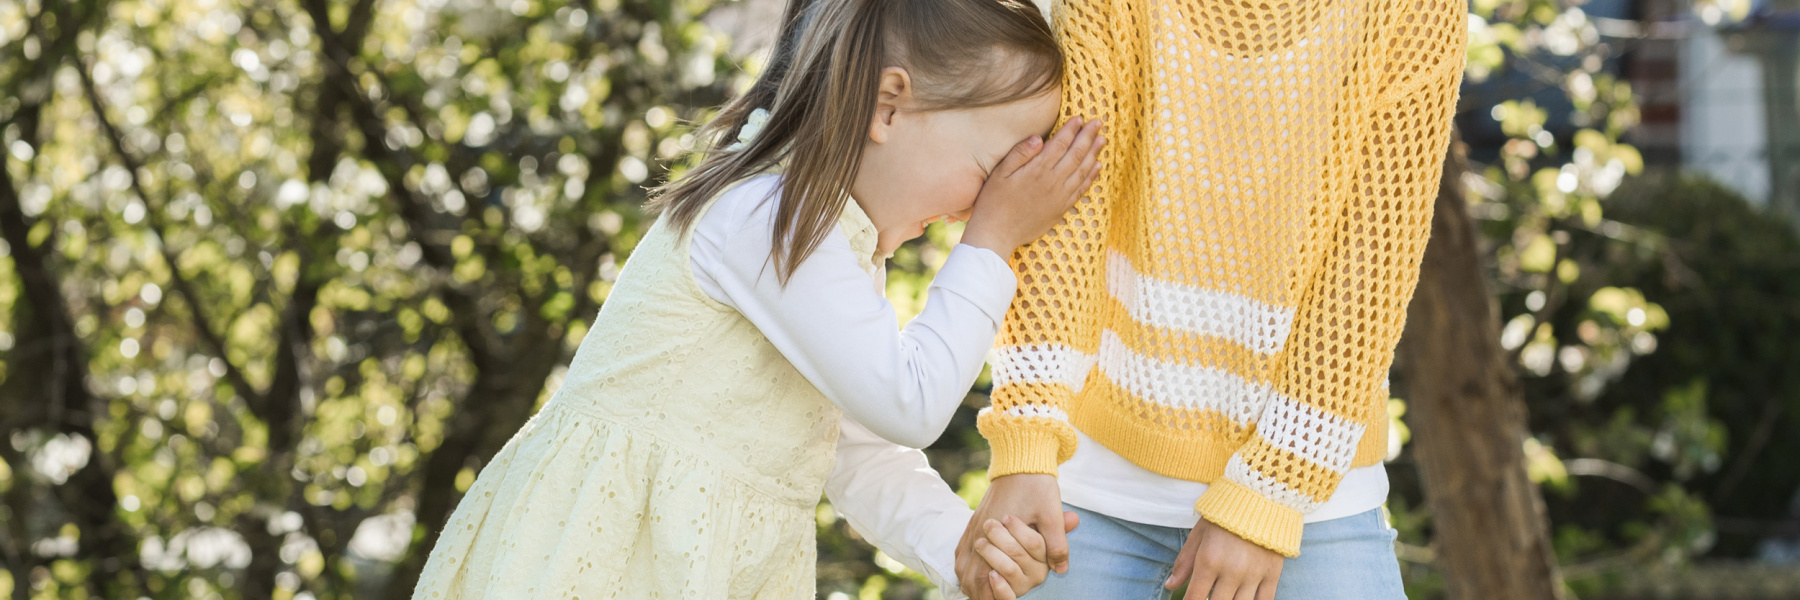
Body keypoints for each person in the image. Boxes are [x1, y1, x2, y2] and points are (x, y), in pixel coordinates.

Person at [410, 0, 1107, 596]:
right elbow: (909, 402)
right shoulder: (767, 217)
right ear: (887, 107)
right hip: (609, 561)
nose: (974, 210)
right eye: (989, 175)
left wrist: (957, 548)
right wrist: (994, 240)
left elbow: (860, 454)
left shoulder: (832, 242)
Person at [954, 0, 1469, 597]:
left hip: (1307, 502)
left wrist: (1268, 495)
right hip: (1085, 487)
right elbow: (1067, 217)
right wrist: (1026, 443)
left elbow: (1370, 270)